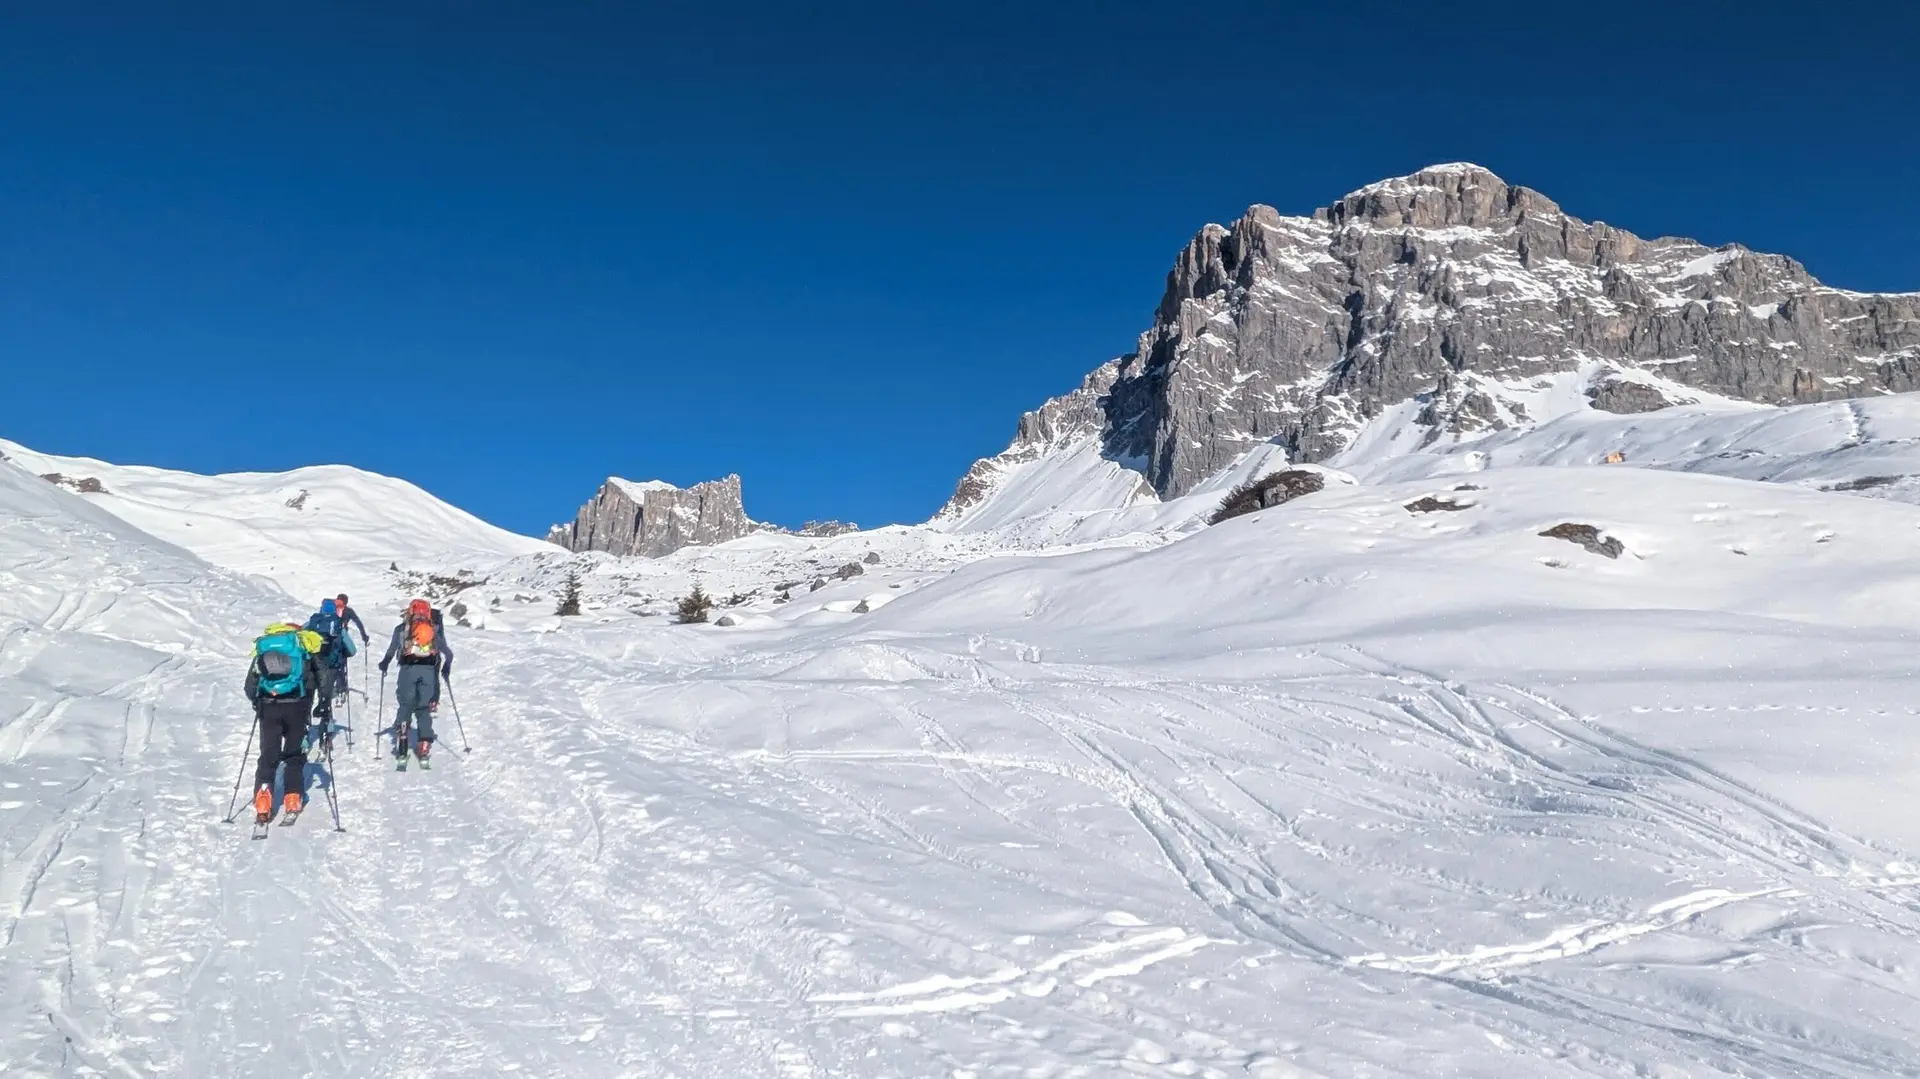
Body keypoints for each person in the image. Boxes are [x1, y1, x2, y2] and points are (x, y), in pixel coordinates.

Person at [243, 622, 323, 821]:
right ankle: (292, 798)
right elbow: (321, 677)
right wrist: (323, 701)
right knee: (294, 753)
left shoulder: (264, 647)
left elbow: (250, 684)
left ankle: (263, 801)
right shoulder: (301, 647)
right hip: (296, 705)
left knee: (268, 754)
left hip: (268, 706)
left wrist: (257, 702)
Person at [378, 599, 453, 764]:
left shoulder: (401, 629)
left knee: (406, 704)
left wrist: (384, 663)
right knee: (423, 708)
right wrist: (445, 668)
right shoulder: (433, 630)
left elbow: (392, 650)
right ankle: (424, 744)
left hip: (407, 670)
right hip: (428, 673)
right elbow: (448, 653)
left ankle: (403, 733)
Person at [303, 599, 356, 750]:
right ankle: (326, 734)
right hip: (330, 669)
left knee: (307, 699)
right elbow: (352, 650)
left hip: (311, 667)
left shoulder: (311, 623)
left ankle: (304, 734)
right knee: (325, 699)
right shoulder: (338, 625)